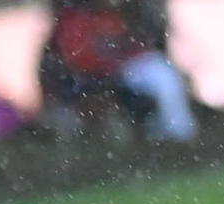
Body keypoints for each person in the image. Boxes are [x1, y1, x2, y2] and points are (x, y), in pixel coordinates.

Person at [40, 0, 198, 143]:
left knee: (162, 71)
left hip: (117, 72)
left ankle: (175, 131)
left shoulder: (113, 15)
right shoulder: (75, 18)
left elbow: (132, 45)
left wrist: (123, 58)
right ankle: (170, 132)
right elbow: (78, 57)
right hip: (87, 79)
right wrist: (113, 65)